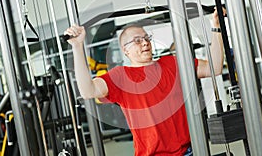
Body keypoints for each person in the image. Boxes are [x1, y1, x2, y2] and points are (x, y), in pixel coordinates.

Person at [64, 8, 225, 156]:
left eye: (146, 38)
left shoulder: (173, 63)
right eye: (137, 40)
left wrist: (216, 28)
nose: (145, 42)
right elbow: (87, 91)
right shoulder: (120, 76)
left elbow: (214, 68)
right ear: (125, 50)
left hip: (188, 151)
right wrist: (78, 47)